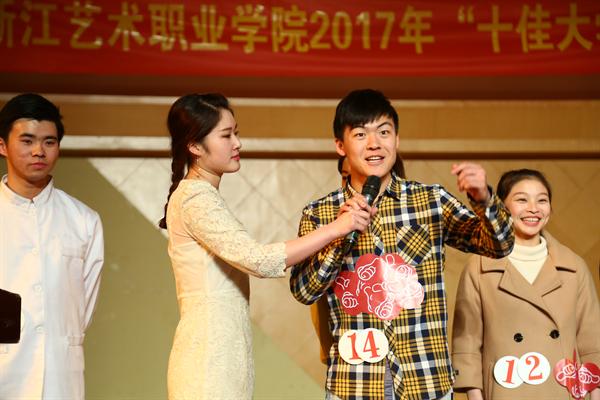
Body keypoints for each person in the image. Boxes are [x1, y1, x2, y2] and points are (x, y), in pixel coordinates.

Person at [289, 89, 514, 400]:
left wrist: (484, 199)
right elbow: (304, 291)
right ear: (340, 145)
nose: (374, 143)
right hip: (353, 383)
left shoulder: (431, 200)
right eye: (360, 134)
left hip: (425, 379)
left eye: (384, 132)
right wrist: (339, 234)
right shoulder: (319, 213)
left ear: (396, 139)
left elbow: (499, 245)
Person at [158, 93, 374, 400]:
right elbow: (258, 259)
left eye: (236, 132)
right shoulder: (196, 198)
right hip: (208, 360)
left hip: (221, 354)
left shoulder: (199, 194)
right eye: (226, 135)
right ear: (194, 146)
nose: (237, 143)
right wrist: (336, 228)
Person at [452, 169, 600, 400]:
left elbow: (591, 344)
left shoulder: (573, 267)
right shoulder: (479, 267)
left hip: (563, 392)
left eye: (542, 200)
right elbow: (467, 346)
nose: (533, 208)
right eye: (522, 200)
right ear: (502, 208)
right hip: (505, 391)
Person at [0, 93, 104, 399]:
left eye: (49, 141)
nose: (39, 151)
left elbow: (83, 309)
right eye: (27, 140)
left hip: (60, 375)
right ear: (2, 145)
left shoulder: (83, 220)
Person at [311, 155, 407, 365]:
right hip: (351, 362)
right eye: (347, 178)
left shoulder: (409, 218)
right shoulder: (329, 221)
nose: (358, 189)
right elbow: (315, 300)